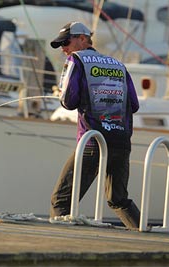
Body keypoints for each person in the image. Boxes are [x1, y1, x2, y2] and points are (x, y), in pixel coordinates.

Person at [49, 21, 141, 230]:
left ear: (83, 38)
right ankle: (147, 237)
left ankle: (59, 247)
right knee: (118, 199)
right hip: (121, 142)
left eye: (66, 42)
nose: (63, 48)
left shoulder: (76, 60)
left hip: (92, 143)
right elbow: (134, 105)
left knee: (62, 200)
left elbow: (69, 102)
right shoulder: (118, 65)